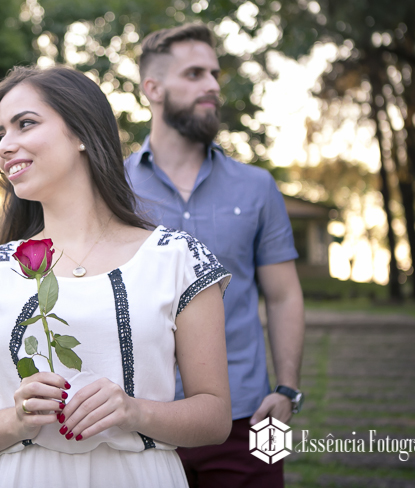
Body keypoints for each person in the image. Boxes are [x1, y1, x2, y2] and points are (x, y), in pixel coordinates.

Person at [0, 66, 233, 488]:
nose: (6, 146)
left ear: (83, 134)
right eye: (0, 134)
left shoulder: (180, 261)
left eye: (25, 124)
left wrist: (134, 412)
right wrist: (14, 421)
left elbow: (215, 418)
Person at [125, 24, 305, 488]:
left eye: (214, 73)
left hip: (254, 413)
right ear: (153, 89)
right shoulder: (114, 189)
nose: (212, 85)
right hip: (140, 418)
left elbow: (284, 296)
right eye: (195, 73)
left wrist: (286, 392)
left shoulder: (258, 186)